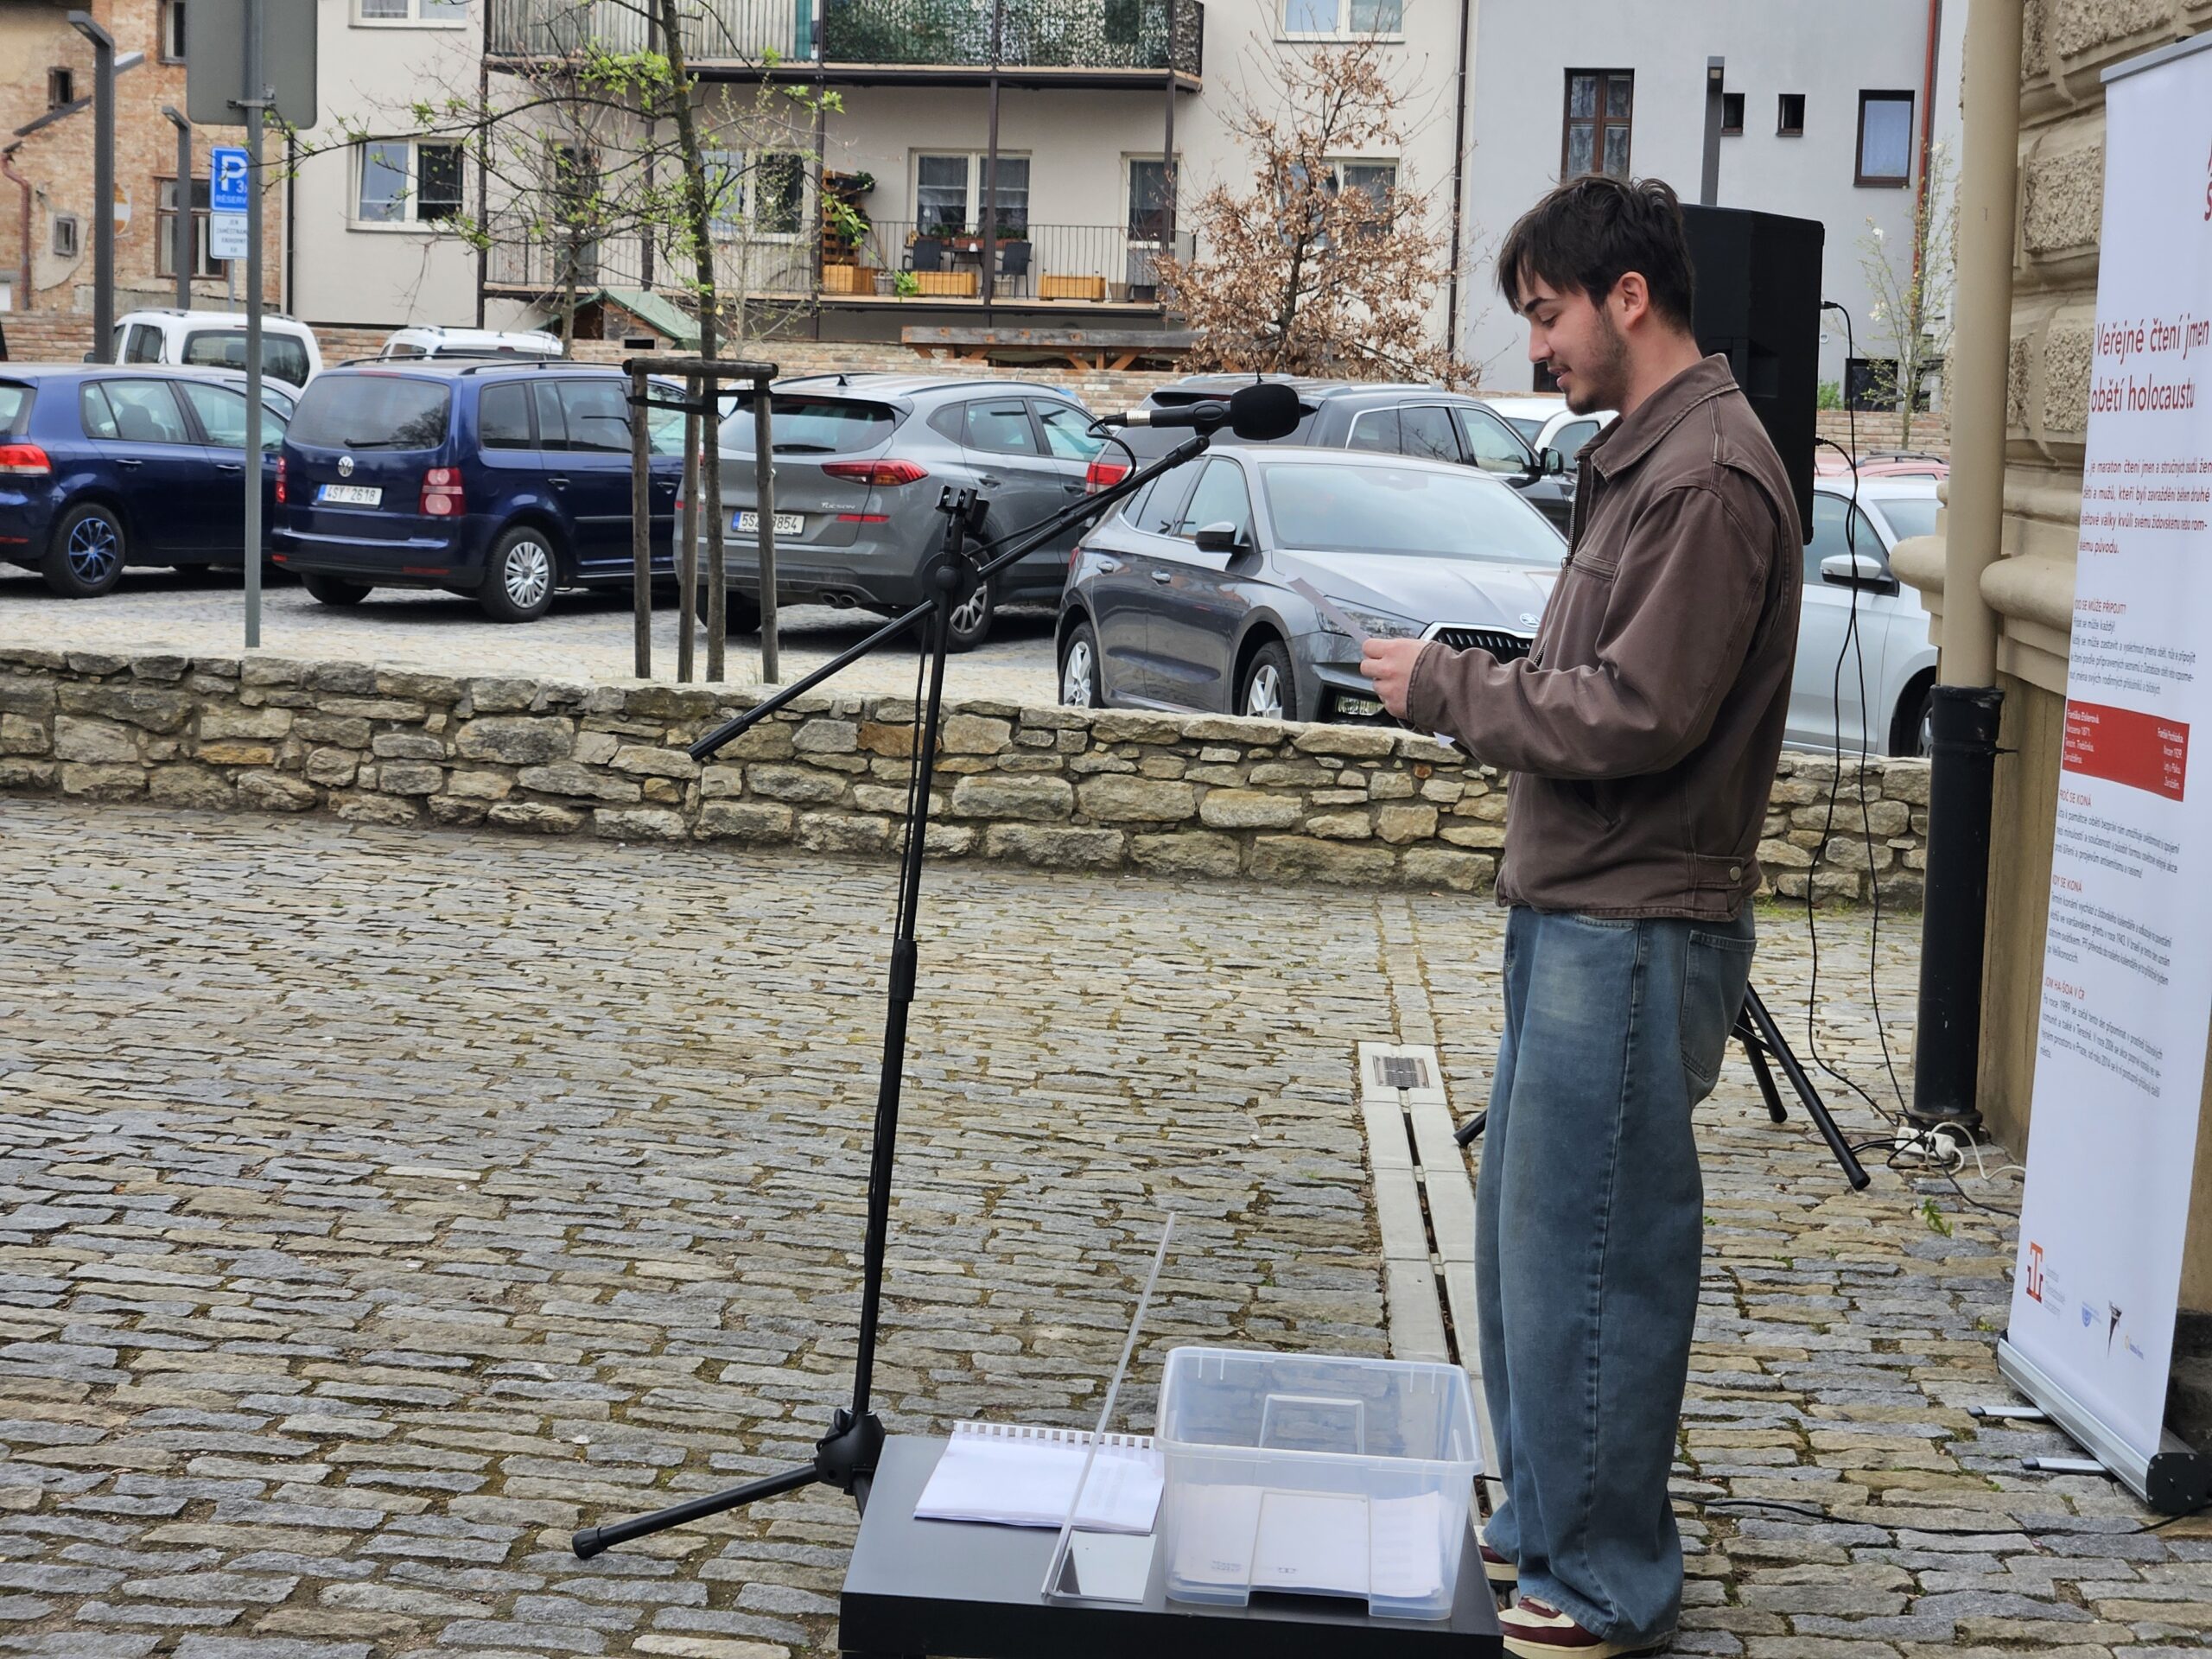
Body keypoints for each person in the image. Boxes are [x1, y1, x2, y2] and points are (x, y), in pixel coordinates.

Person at [1359, 175, 1803, 1659]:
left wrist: (1447, 688)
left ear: (1629, 296)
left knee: (1596, 1259)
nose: (1536, 348)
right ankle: (1544, 1526)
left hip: (1633, 925)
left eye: (1546, 315)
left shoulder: (1709, 477)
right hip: (1581, 911)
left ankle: (1606, 1582)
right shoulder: (1646, 458)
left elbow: (1637, 712)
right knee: (1529, 1256)